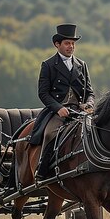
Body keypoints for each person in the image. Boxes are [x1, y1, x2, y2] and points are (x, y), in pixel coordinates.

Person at [29, 23, 94, 180]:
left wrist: (89, 104)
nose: (71, 46)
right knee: (50, 134)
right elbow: (43, 93)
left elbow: (90, 92)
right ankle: (42, 170)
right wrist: (58, 108)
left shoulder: (82, 65)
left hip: (80, 111)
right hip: (58, 112)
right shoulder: (48, 65)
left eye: (72, 43)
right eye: (67, 43)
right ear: (57, 44)